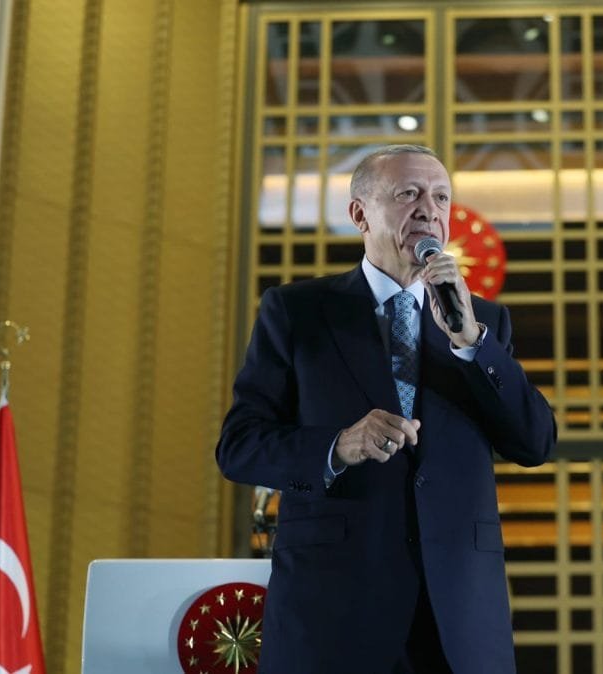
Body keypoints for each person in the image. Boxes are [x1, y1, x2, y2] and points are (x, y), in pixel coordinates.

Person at [216, 144, 556, 673]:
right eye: (408, 194)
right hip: (334, 613)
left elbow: (536, 444)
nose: (429, 209)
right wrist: (337, 445)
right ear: (359, 214)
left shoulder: (482, 322)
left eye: (441, 196)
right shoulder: (298, 312)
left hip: (458, 618)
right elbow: (239, 447)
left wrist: (472, 345)